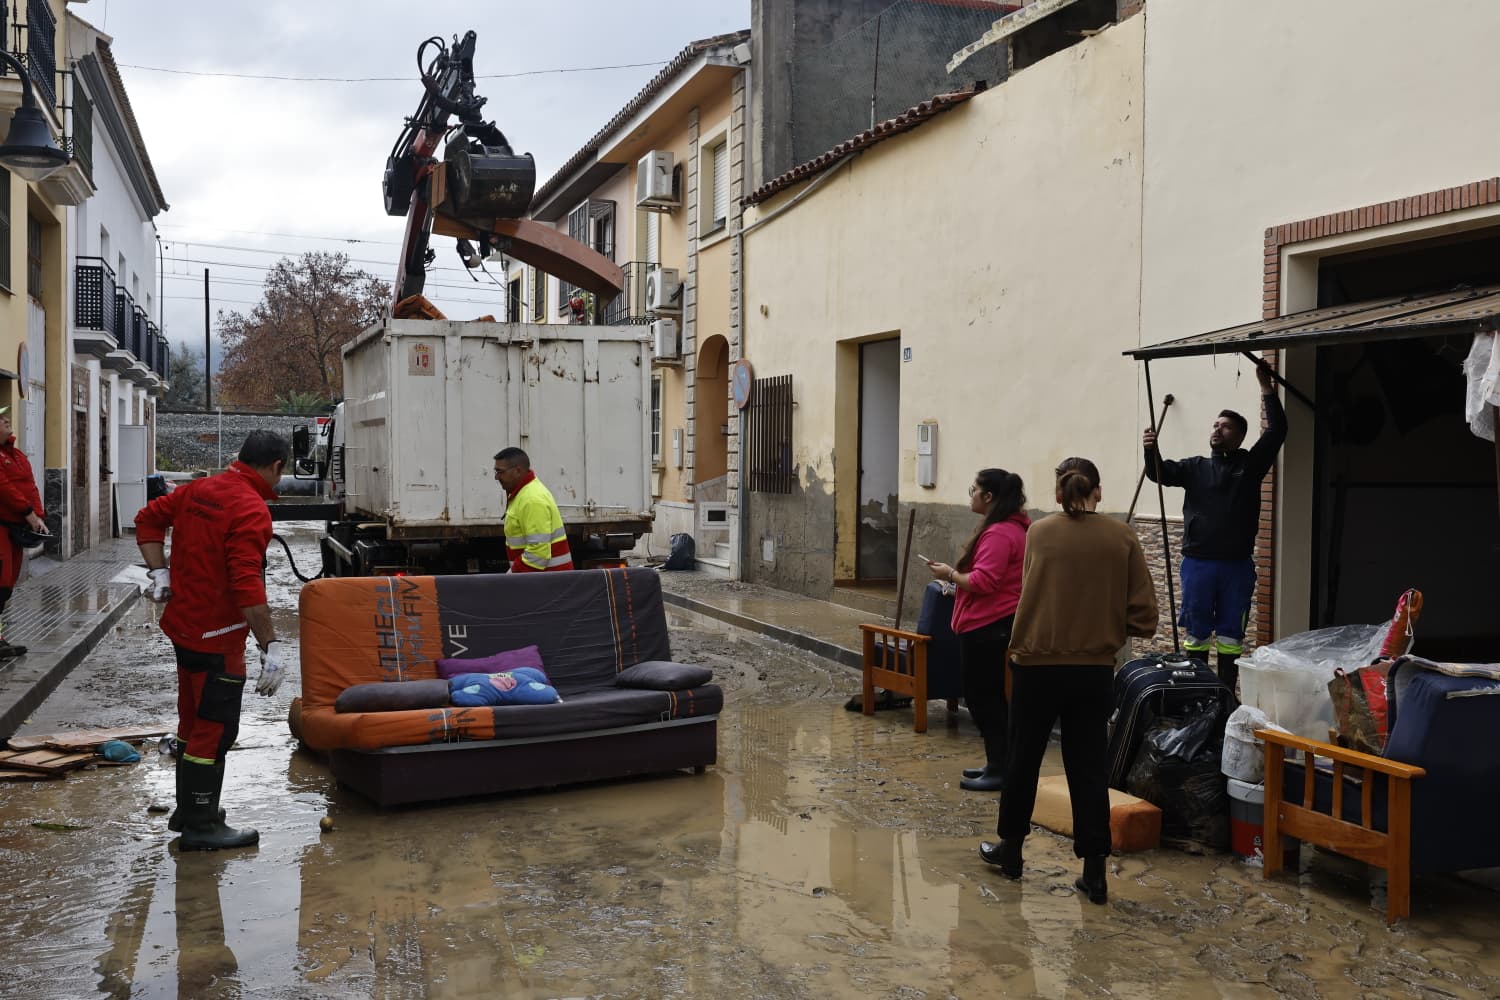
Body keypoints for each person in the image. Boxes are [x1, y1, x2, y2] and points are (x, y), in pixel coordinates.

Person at [983, 457, 1157, 904]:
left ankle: (1011, 853)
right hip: (1094, 671)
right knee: (1088, 769)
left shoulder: (1038, 533)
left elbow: (1032, 595)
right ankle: (1094, 872)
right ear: (1098, 491)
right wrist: (1104, 623)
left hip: (1035, 667)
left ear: (1058, 494)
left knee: (1023, 759)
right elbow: (1145, 618)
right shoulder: (1122, 537)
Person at [135, 430, 292, 851]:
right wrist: (270, 645)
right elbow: (246, 586)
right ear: (276, 466)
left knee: (191, 722)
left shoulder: (198, 489)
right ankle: (201, 826)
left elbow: (147, 519)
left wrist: (160, 572)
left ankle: (189, 810)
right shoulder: (251, 510)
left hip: (184, 627)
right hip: (218, 638)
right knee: (215, 730)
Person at [1143, 364, 1286, 692]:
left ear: (1239, 436)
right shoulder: (1195, 467)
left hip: (1236, 565)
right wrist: (1150, 449)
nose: (1218, 429)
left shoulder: (1250, 465)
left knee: (1230, 636)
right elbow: (1158, 474)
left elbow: (1277, 432)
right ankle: (1197, 693)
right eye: (1216, 424)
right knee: (1196, 632)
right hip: (1198, 563)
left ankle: (1223, 697)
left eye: (1226, 426)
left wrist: (1266, 388)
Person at [925, 469, 1029, 792]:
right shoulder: (1011, 529)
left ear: (988, 497)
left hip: (988, 626)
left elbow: (984, 582)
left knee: (985, 699)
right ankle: (996, 762)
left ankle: (1001, 768)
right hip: (992, 623)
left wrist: (950, 574)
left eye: (975, 489)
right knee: (989, 697)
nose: (970, 494)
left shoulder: (1000, 533)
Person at [0, 405, 48, 658]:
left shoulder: (15, 455)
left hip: (14, 529)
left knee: (7, 583)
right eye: (1, 419)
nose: (7, 420)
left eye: (7, 417)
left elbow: (28, 486)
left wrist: (37, 515)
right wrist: (29, 513)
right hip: (3, 528)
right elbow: (5, 489)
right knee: (0, 582)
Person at [494, 447, 573, 572]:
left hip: (549, 585)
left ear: (517, 471)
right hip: (549, 583)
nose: (496, 477)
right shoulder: (524, 493)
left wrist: (511, 577)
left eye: (500, 472)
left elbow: (538, 554)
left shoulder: (531, 499)